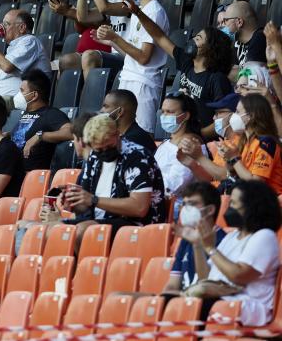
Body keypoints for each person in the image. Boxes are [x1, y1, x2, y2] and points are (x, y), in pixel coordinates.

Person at [123, 0, 233, 129]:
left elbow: (225, 118)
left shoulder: (216, 80)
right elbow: (159, 36)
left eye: (198, 38)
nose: (192, 40)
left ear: (210, 49)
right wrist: (138, 12)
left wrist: (200, 135)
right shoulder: (187, 62)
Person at [183, 180, 279, 326]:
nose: (228, 209)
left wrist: (211, 248)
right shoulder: (232, 236)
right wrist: (198, 244)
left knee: (188, 308)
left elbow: (239, 276)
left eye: (233, 203)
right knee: (169, 301)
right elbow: (205, 277)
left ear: (251, 207)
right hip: (220, 300)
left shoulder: (264, 236)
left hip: (246, 307)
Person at [63, 114, 166, 244]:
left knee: (82, 231)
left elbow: (139, 208)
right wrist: (73, 202)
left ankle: (82, 265)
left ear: (118, 135)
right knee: (52, 229)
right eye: (100, 149)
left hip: (134, 224)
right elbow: (87, 205)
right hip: (99, 220)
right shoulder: (94, 157)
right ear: (88, 144)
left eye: (110, 146)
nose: (105, 152)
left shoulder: (137, 156)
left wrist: (94, 200)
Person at [96, 0, 170, 132]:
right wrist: (111, 40)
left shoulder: (154, 12)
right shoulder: (138, 10)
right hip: (129, 78)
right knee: (121, 134)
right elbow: (131, 53)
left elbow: (143, 57)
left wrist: (115, 37)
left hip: (144, 84)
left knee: (140, 135)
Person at [181, 94, 282, 193]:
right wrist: (229, 161)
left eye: (237, 112)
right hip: (249, 199)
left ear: (250, 116)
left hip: (269, 202)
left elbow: (256, 184)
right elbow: (234, 176)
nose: (234, 116)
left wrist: (234, 159)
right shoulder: (246, 141)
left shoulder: (266, 142)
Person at [163, 181, 226, 294]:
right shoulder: (185, 240)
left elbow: (208, 285)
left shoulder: (223, 240)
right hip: (180, 303)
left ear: (210, 210)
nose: (186, 209)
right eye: (185, 204)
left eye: (192, 204)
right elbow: (172, 285)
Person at [10, 70, 73, 172]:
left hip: (31, 176)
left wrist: (41, 136)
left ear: (34, 95)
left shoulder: (51, 114)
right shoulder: (25, 114)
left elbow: (71, 132)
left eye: (22, 91)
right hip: (13, 171)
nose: (18, 95)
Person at [0, 10, 51, 102]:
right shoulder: (15, 46)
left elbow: (7, 67)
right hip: (2, 101)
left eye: (6, 24)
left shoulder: (30, 41)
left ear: (22, 27)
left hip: (20, 102)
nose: (1, 27)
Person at [154, 93, 204, 204]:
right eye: (163, 112)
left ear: (186, 116)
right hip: (155, 197)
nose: (164, 116)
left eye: (170, 112)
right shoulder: (167, 142)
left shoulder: (190, 144)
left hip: (177, 207)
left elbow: (174, 185)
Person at [100, 89, 157, 155]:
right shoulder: (124, 135)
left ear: (120, 111)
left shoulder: (135, 139)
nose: (101, 110)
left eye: (106, 106)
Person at [220, 0, 265, 69]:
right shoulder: (238, 42)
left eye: (226, 20)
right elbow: (235, 70)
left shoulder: (260, 38)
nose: (223, 25)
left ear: (239, 22)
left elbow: (250, 75)